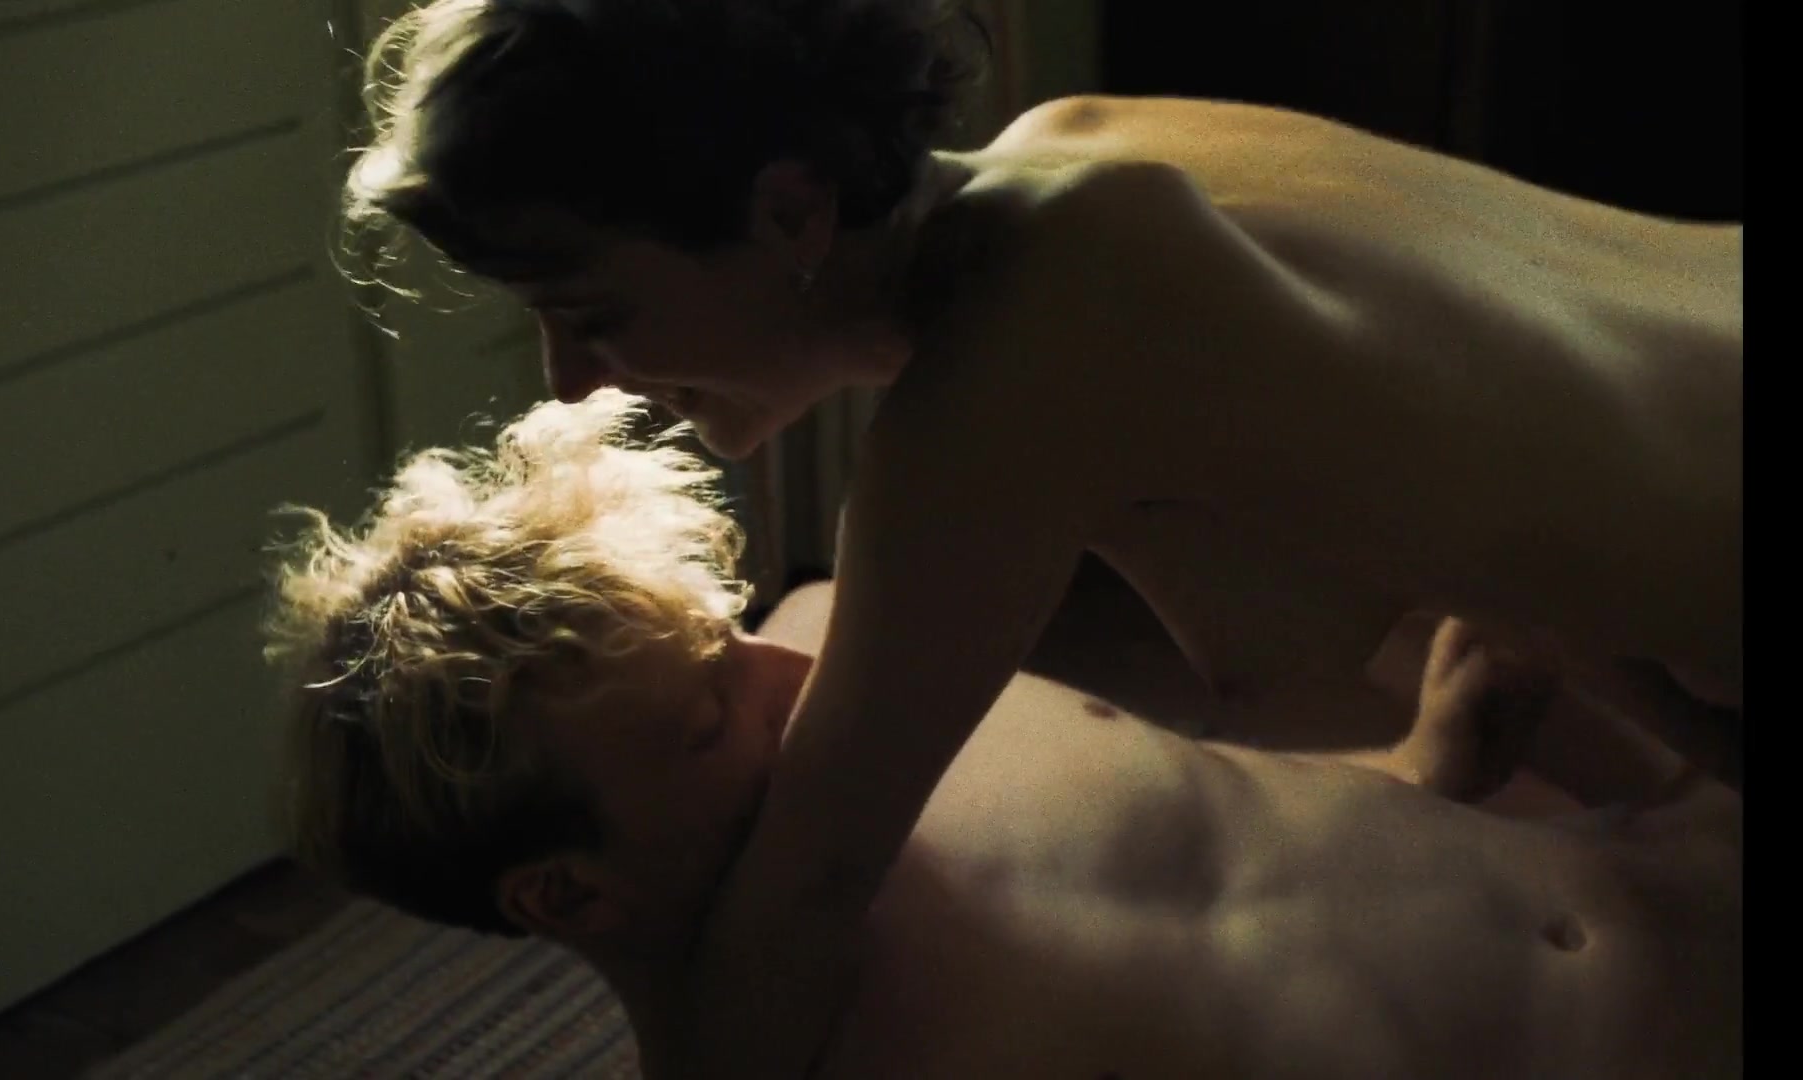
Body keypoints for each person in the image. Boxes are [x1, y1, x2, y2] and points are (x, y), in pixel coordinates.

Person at [339, 2, 1742, 1070]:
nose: (570, 382)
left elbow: (805, 895)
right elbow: (1530, 523)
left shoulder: (1004, 385)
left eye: (591, 311)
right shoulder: (1078, 155)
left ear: (788, 212)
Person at [262, 392, 1741, 1080]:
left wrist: (1424, 767)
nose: (790, 673)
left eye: (728, 637)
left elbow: (1214, 837)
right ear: (570, 892)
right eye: (710, 719)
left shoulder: (844, 650)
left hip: (1684, 849)